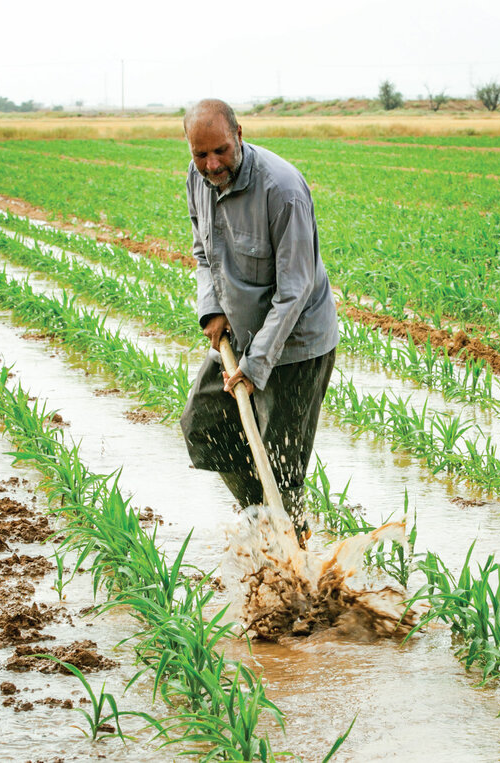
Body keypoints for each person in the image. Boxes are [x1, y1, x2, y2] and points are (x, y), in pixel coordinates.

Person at [178, 98, 338, 541]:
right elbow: (202, 254)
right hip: (243, 334)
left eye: (221, 151)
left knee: (282, 465)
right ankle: (260, 516)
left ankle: (298, 561)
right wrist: (211, 309)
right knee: (204, 422)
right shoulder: (196, 179)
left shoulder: (281, 190)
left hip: (297, 343)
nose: (211, 165)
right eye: (200, 154)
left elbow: (295, 291)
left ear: (240, 135)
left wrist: (254, 366)